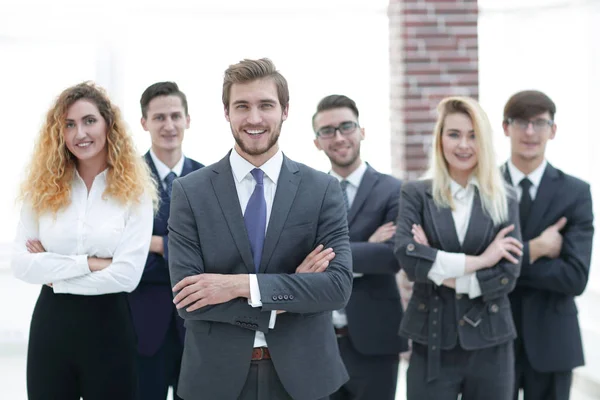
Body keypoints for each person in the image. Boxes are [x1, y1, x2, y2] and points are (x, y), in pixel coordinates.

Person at [167, 58, 353, 400]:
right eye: (242, 106)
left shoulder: (322, 189)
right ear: (226, 112)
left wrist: (238, 286)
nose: (254, 118)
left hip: (304, 378)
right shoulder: (190, 192)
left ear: (285, 110)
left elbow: (337, 288)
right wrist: (293, 291)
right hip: (215, 378)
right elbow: (187, 299)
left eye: (266, 105)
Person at [11, 82, 156, 400]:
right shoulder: (42, 188)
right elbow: (21, 264)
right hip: (52, 327)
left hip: (109, 328)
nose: (80, 133)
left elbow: (127, 276)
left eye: (89, 120)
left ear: (108, 124)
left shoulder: (136, 192)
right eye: (69, 124)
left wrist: (53, 272)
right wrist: (91, 263)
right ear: (59, 133)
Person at [394, 96, 522, 400]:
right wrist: (482, 260)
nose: (463, 145)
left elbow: (507, 274)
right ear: (440, 139)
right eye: (454, 134)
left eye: (473, 135)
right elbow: (407, 258)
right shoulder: (416, 193)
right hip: (432, 338)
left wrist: (436, 267)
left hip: (491, 341)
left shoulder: (505, 197)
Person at [312, 94, 407, 400]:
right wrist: (366, 247)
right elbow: (293, 258)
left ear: (361, 131)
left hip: (375, 340)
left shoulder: (393, 189)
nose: (338, 137)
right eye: (327, 131)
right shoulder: (307, 194)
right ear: (317, 142)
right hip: (317, 341)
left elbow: (393, 256)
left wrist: (326, 258)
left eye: (346, 126)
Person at [501, 90, 594, 400]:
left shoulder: (576, 192)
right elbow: (476, 265)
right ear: (506, 128)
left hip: (555, 341)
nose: (530, 132)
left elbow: (574, 277)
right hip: (496, 339)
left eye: (539, 123)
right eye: (521, 122)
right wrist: (537, 249)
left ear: (552, 130)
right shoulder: (484, 188)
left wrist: (507, 263)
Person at [128, 81, 204, 400]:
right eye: (159, 117)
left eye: (175, 116)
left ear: (188, 119)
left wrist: (157, 244)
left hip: (197, 328)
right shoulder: (125, 180)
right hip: (141, 327)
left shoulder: (209, 180)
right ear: (144, 123)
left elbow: (212, 255)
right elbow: (122, 255)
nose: (169, 125)